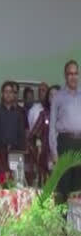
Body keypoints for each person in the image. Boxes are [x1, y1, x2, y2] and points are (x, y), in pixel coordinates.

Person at [50, 60, 81, 202]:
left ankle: (76, 223)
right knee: (64, 186)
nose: (73, 77)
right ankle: (61, 223)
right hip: (65, 143)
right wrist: (54, 152)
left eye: (75, 73)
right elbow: (51, 127)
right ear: (65, 75)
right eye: (70, 74)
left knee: (78, 187)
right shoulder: (58, 97)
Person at [0, 81, 27, 177]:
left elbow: (21, 134)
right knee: (1, 181)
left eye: (10, 92)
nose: (8, 94)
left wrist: (22, 151)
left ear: (14, 95)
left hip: (15, 151)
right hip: (0, 152)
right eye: (6, 92)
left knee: (15, 180)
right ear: (2, 94)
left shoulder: (18, 113)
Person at [28, 85, 59, 186]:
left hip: (64, 157)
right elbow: (31, 137)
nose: (53, 97)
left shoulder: (67, 115)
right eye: (51, 95)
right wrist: (38, 147)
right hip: (46, 159)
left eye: (56, 95)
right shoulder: (44, 114)